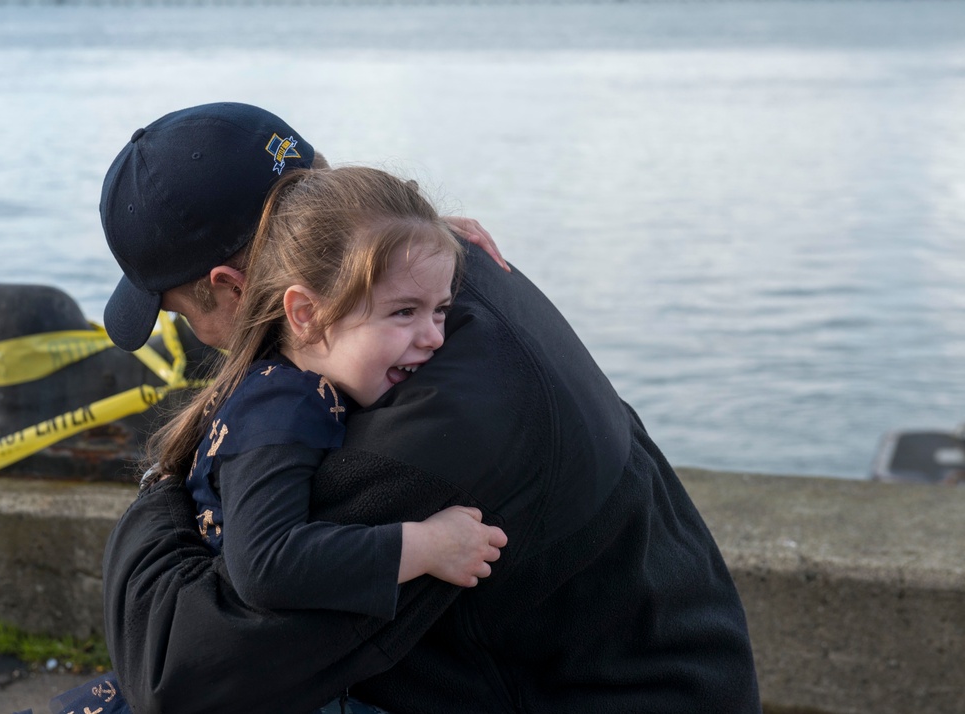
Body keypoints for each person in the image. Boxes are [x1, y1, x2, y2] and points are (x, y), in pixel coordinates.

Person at [100, 102, 762, 713]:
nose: (201, 340)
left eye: (184, 316)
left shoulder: (428, 414)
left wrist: (165, 484)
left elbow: (177, 676)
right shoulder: (436, 269)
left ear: (232, 288)